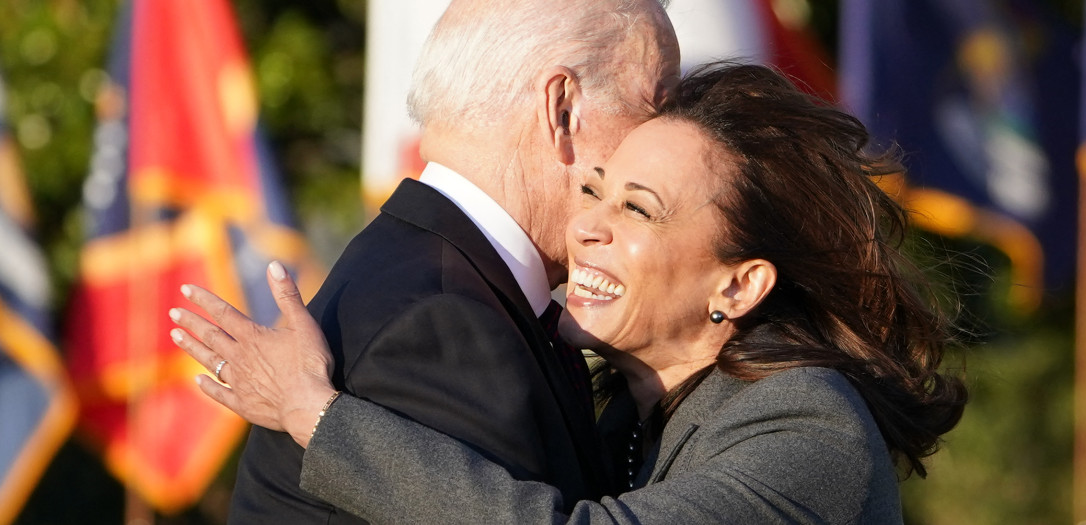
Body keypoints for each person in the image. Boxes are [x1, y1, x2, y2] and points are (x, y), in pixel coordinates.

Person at [172, 63, 967, 523]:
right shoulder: (631, 410)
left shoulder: (807, 424)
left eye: (637, 208)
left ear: (740, 282)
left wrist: (314, 414)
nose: (587, 225)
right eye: (595, 189)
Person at [186, 0, 680, 522]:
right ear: (562, 110)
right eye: (658, 109)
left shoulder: (449, 281)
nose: (673, 141)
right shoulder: (440, 323)